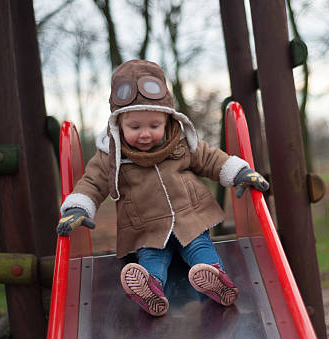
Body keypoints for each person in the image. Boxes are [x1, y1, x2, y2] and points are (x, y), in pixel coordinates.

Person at [57, 60, 269, 317]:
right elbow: (92, 182)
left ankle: (215, 279)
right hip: (146, 228)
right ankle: (149, 288)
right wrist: (78, 207)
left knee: (200, 248)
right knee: (151, 259)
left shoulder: (180, 142)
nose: (145, 134)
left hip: (190, 217)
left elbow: (211, 159)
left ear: (167, 120)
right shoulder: (111, 157)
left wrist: (240, 173)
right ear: (118, 124)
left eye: (154, 126)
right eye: (134, 127)